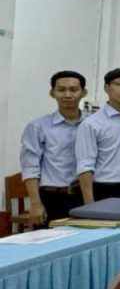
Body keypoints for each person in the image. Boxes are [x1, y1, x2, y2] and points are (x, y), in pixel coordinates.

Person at [20, 70, 88, 225]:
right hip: (52, 197)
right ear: (52, 93)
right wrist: (36, 203)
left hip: (86, 195)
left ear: (83, 92)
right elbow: (30, 166)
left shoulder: (93, 124)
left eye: (73, 90)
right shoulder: (38, 126)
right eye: (61, 90)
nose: (68, 95)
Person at [75, 67, 120, 202]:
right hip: (105, 189)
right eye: (119, 84)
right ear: (106, 88)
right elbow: (85, 165)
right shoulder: (92, 123)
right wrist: (89, 202)